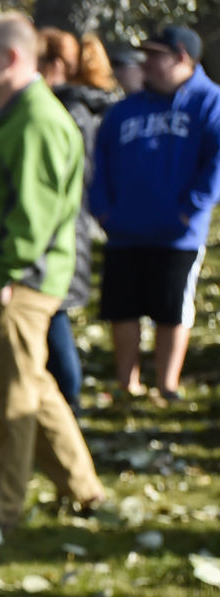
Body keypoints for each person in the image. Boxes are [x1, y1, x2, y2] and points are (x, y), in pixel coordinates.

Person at [0, 16, 105, 536]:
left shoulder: (36, 119)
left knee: (11, 397)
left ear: (12, 59)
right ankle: (84, 489)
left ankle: (1, 510)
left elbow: (32, 216)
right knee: (33, 388)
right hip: (9, 274)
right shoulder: (15, 114)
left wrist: (4, 271)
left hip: (18, 279)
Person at [89, 25, 220, 404]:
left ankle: (167, 386)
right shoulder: (126, 109)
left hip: (176, 234)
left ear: (182, 57)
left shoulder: (208, 102)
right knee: (123, 308)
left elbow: (215, 163)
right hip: (124, 230)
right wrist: (103, 211)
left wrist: (189, 210)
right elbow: (101, 161)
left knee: (170, 310)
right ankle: (126, 383)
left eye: (155, 55)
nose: (145, 63)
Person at [39, 29, 115, 413]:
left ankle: (69, 401)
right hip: (70, 225)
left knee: (55, 315)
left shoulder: (70, 111)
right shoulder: (72, 106)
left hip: (65, 226)